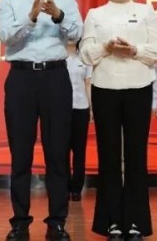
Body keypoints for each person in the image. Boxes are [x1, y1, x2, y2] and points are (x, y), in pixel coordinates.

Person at [0, 0, 82, 241]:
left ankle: (57, 222)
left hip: (55, 77)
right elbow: (6, 36)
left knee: (57, 153)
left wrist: (58, 15)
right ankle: (20, 222)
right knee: (20, 153)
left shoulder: (66, 0)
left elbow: (76, 34)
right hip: (20, 78)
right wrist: (31, 17)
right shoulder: (10, 0)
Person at [80, 0, 157, 241]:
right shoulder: (95, 14)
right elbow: (85, 53)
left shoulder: (146, 11)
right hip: (105, 88)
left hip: (139, 87)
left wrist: (134, 50)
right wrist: (106, 47)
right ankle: (112, 222)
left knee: (136, 155)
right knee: (109, 156)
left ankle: (137, 222)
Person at [66, 40, 92, 203]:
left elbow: (88, 83)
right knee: (62, 150)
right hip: (61, 109)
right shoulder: (58, 57)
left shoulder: (84, 58)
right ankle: (63, 186)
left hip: (81, 107)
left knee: (79, 150)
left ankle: (76, 188)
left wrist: (91, 107)